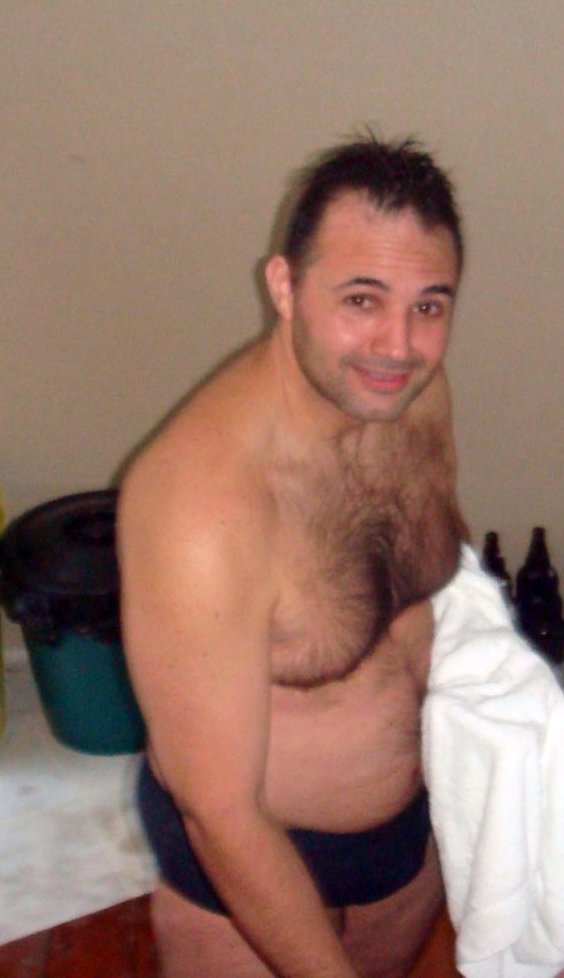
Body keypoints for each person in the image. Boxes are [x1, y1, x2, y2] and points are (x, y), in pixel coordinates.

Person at [117, 135, 470, 978]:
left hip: (407, 838)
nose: (398, 345)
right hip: (243, 868)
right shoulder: (202, 507)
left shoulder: (414, 398)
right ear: (283, 286)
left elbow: (413, 601)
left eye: (429, 305)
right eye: (362, 298)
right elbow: (220, 813)